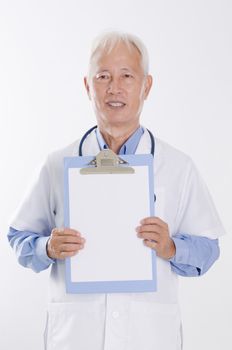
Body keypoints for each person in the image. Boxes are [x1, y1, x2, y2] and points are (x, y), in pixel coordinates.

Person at [8, 31, 225, 350]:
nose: (115, 88)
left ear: (146, 86)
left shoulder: (178, 166)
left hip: (149, 335)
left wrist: (170, 247)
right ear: (87, 86)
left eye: (127, 75)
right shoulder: (56, 164)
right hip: (76, 334)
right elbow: (18, 237)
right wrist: (48, 248)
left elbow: (208, 249)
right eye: (103, 76)